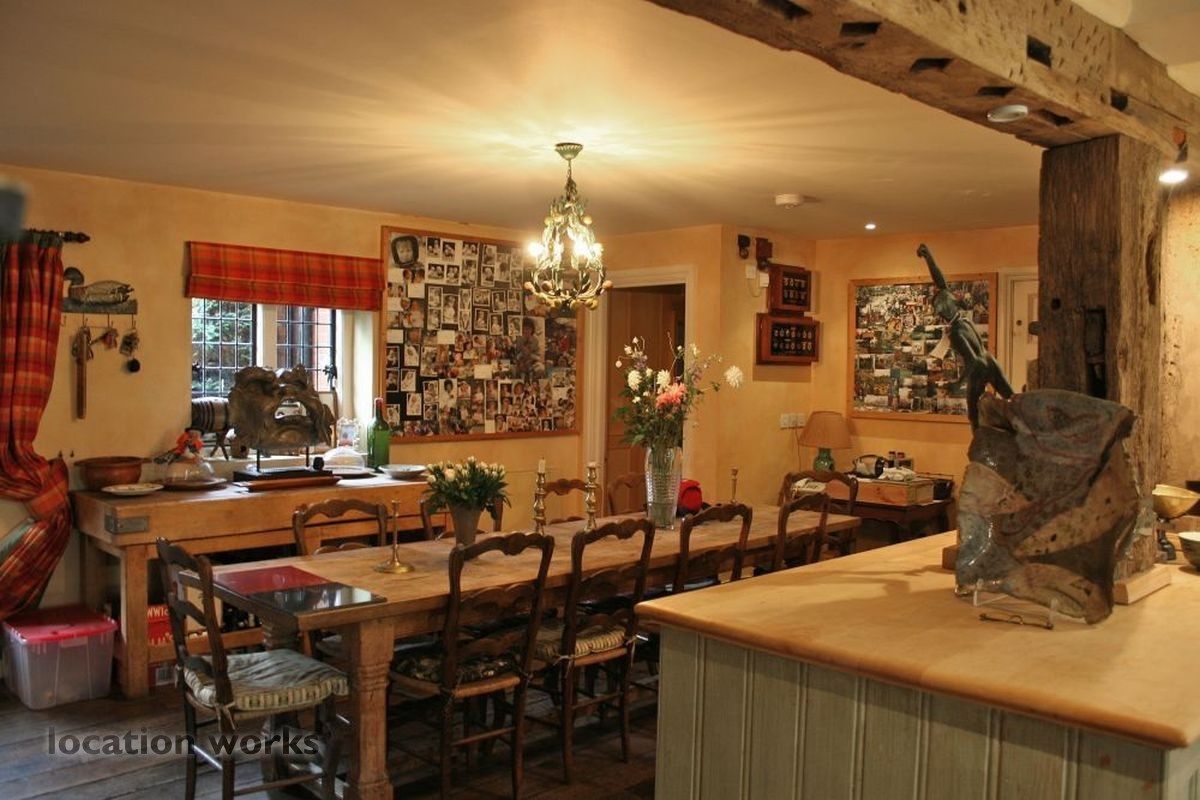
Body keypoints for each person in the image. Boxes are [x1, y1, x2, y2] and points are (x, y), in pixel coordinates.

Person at [917, 243, 1013, 427]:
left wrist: (958, 383)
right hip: (990, 361)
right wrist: (928, 256)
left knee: (974, 416)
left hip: (979, 368)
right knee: (1012, 400)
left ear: (941, 312)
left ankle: (982, 442)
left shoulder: (956, 332)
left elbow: (974, 362)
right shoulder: (964, 319)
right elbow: (939, 280)